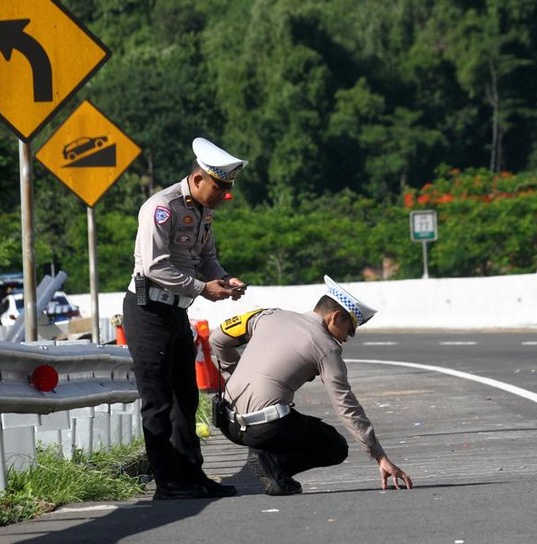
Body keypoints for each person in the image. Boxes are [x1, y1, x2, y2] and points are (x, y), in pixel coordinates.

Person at [123, 137, 249, 501]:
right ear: (197, 180)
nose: (224, 196)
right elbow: (155, 265)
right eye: (219, 187)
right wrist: (201, 288)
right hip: (148, 311)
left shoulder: (203, 212)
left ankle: (192, 474)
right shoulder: (161, 208)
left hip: (177, 311)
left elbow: (205, 257)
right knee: (158, 402)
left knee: (186, 399)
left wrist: (224, 279)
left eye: (228, 188)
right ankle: (167, 482)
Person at [210, 275, 414, 496]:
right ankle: (274, 465)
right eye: (350, 329)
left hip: (227, 423)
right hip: (264, 429)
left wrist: (232, 377)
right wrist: (379, 455)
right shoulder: (326, 347)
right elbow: (345, 406)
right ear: (336, 317)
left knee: (288, 418)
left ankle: (270, 465)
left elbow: (217, 339)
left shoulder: (267, 315)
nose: (347, 338)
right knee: (334, 446)